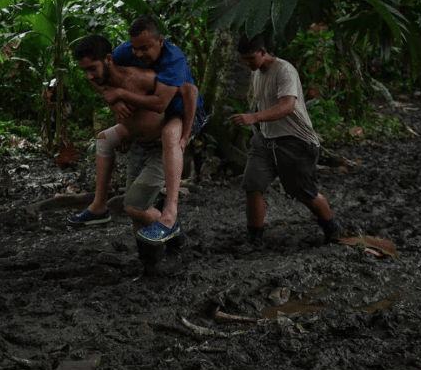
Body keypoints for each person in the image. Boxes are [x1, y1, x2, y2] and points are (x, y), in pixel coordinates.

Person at [68, 19, 206, 244]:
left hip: (182, 113)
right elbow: (101, 77)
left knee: (171, 136)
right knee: (104, 139)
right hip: (146, 130)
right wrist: (114, 104)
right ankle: (99, 205)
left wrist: (185, 136)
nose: (139, 53)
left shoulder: (174, 60)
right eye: (135, 48)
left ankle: (170, 214)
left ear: (160, 42)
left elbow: (181, 96)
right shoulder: (120, 54)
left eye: (145, 48)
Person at [230, 34, 341, 246]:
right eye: (243, 59)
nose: (247, 63)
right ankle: (254, 238)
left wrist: (253, 117)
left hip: (295, 141)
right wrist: (255, 121)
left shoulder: (284, 70)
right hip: (265, 139)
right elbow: (262, 103)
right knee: (252, 185)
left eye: (251, 58)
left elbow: (287, 105)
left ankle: (331, 226)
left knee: (303, 191)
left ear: (263, 51)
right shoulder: (257, 73)